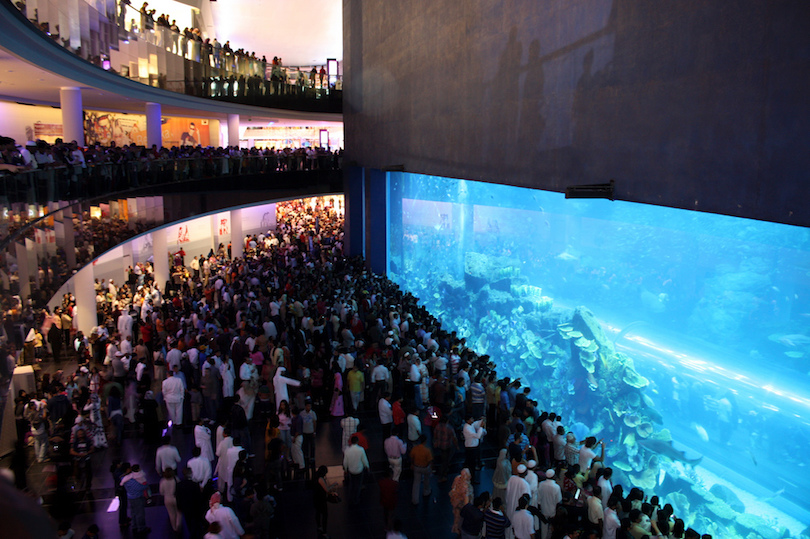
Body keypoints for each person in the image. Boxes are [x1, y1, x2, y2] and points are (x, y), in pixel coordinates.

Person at [343, 435, 369, 505]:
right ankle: (356, 499)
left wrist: (345, 469)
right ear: (357, 441)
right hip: (359, 470)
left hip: (351, 470)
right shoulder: (361, 450)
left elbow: (345, 462)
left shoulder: (347, 450)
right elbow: (364, 460)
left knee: (352, 484)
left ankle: (350, 498)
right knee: (358, 484)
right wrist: (367, 466)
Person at [313, 465, 338, 537]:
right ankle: (324, 531)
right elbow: (326, 489)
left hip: (316, 498)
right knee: (324, 515)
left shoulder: (315, 476)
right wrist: (333, 486)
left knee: (317, 512)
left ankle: (319, 526)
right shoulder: (320, 479)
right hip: (321, 499)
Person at [538, 468, 562, 539]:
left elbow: (538, 498)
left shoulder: (541, 484)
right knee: (551, 530)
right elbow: (559, 501)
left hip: (543, 510)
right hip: (552, 511)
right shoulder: (556, 487)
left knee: (543, 530)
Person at [450, 468, 474, 535]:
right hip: (461, 505)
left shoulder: (457, 478)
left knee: (456, 517)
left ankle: (456, 528)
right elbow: (466, 503)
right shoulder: (465, 487)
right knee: (461, 518)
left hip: (455, 502)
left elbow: (452, 489)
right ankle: (459, 530)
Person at [463, 415, 487, 483]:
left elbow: (477, 423)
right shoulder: (467, 428)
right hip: (470, 448)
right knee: (471, 465)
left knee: (471, 463)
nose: (472, 419)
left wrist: (482, 420)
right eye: (471, 418)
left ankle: (470, 477)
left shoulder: (470, 425)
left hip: (473, 447)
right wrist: (481, 427)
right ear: (468, 420)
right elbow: (478, 436)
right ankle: (471, 479)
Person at [410, 434, 433, 505]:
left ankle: (415, 499)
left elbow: (411, 457)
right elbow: (430, 460)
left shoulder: (414, 449)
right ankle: (426, 491)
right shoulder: (427, 450)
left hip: (416, 467)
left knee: (416, 483)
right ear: (425, 441)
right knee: (426, 480)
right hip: (425, 467)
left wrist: (412, 464)